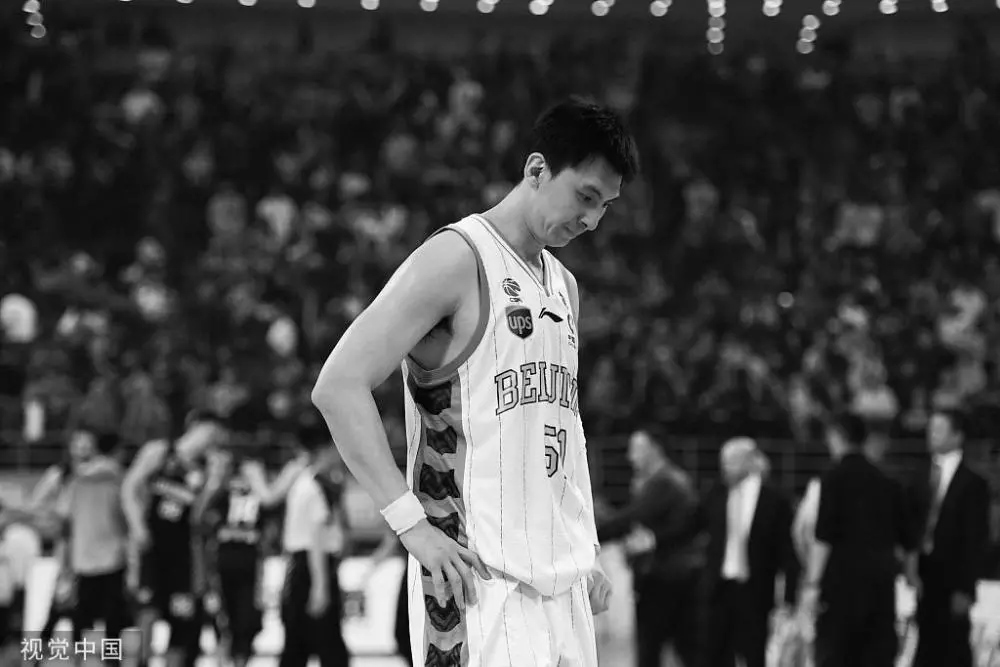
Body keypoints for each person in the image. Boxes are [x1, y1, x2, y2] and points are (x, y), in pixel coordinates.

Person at [311, 97, 639, 667]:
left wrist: (583, 545)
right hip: (477, 583)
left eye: (605, 206)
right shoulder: (456, 258)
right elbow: (338, 386)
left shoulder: (564, 286)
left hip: (563, 587)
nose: (592, 220)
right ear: (537, 170)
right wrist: (411, 526)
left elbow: (562, 430)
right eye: (586, 197)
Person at [803, 413, 917, 667]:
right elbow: (910, 541)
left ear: (838, 437)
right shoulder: (889, 482)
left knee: (836, 654)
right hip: (880, 586)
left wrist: (812, 584)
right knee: (875, 656)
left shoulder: (832, 479)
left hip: (840, 586)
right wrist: (911, 578)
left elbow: (824, 536)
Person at [121, 415, 225, 667]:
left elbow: (199, 516)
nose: (212, 442)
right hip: (152, 548)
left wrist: (214, 483)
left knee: (182, 621)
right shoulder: (159, 451)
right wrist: (137, 526)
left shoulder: (205, 469)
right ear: (197, 427)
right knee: (146, 615)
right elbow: (129, 488)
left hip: (183, 554)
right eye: (211, 434)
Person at [596, 427, 705, 667]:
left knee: (652, 651)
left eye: (636, 449)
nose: (630, 456)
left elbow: (631, 518)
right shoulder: (672, 480)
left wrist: (591, 536)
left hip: (665, 579)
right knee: (685, 650)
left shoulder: (664, 482)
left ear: (655, 449)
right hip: (677, 577)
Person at [702, 437, 799, 667]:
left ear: (749, 461)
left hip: (755, 591)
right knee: (713, 654)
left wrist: (789, 597)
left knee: (754, 654)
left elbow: (787, 551)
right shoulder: (716, 493)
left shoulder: (775, 499)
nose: (724, 468)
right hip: (719, 589)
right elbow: (691, 524)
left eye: (731, 461)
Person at [912, 409, 990, 667]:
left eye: (939, 430)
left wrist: (965, 587)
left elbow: (975, 539)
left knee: (954, 645)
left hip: (954, 578)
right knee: (926, 643)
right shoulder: (920, 476)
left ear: (957, 436)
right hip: (924, 576)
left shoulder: (974, 484)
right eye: (930, 429)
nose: (931, 435)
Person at [277, 426, 350, 667]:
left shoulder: (307, 482)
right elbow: (316, 538)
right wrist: (320, 586)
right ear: (324, 450)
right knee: (325, 645)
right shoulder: (315, 485)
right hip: (312, 566)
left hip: (304, 565)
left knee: (299, 644)